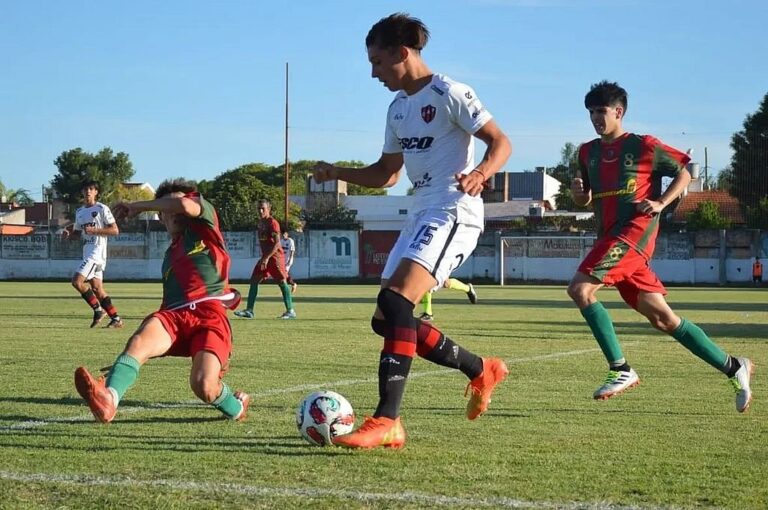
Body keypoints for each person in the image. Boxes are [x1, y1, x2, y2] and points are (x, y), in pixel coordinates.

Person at [312, 13, 512, 449]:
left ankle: (388, 420)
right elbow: (387, 174)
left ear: (403, 53)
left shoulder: (450, 93)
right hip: (421, 211)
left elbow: (501, 142)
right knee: (386, 319)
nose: (373, 72)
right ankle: (481, 368)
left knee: (396, 301)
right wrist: (337, 172)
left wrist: (480, 172)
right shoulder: (397, 108)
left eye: (378, 62)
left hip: (454, 209)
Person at [568, 80, 753, 413]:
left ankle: (620, 368)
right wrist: (578, 192)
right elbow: (586, 199)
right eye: (591, 112)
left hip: (632, 234)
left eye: (602, 111)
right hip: (611, 238)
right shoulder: (587, 152)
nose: (596, 117)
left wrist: (661, 202)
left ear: (619, 112)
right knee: (664, 320)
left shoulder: (643, 146)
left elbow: (684, 173)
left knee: (581, 290)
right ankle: (733, 366)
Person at [73, 178, 250, 423]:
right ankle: (109, 398)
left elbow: (186, 206)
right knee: (138, 341)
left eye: (176, 204)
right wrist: (133, 360)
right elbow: (167, 313)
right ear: (162, 217)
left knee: (204, 387)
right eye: (168, 209)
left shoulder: (205, 227)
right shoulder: (169, 257)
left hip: (209, 315)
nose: (175, 211)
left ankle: (237, 406)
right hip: (174, 315)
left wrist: (139, 205)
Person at [62, 180, 123, 328]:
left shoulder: (102, 208)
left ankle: (98, 310)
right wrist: (69, 235)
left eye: (91, 189)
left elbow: (115, 231)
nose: (88, 191)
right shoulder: (80, 212)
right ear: (82, 192)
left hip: (97, 252)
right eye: (85, 189)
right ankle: (116, 319)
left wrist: (95, 231)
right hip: (87, 251)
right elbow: (77, 233)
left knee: (76, 282)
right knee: (97, 288)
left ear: (96, 192)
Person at [234, 199, 296, 319]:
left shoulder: (272, 223)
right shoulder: (261, 223)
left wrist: (266, 258)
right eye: (259, 208)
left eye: (263, 208)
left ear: (269, 209)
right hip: (266, 257)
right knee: (254, 280)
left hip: (275, 257)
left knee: (282, 282)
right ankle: (249, 310)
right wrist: (264, 257)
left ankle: (290, 311)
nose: (260, 210)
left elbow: (277, 243)